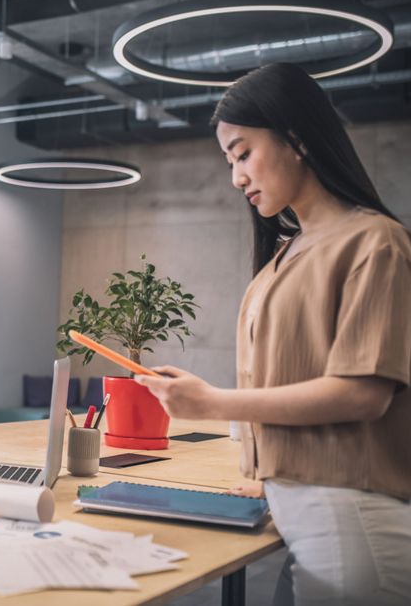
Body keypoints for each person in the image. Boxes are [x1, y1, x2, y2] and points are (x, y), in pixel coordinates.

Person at [135, 63, 411, 605]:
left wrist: (213, 404)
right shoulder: (283, 258)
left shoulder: (376, 243)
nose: (236, 177)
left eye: (242, 153)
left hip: (352, 519)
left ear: (297, 139)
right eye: (229, 160)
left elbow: (362, 393)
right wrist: (271, 471)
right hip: (298, 510)